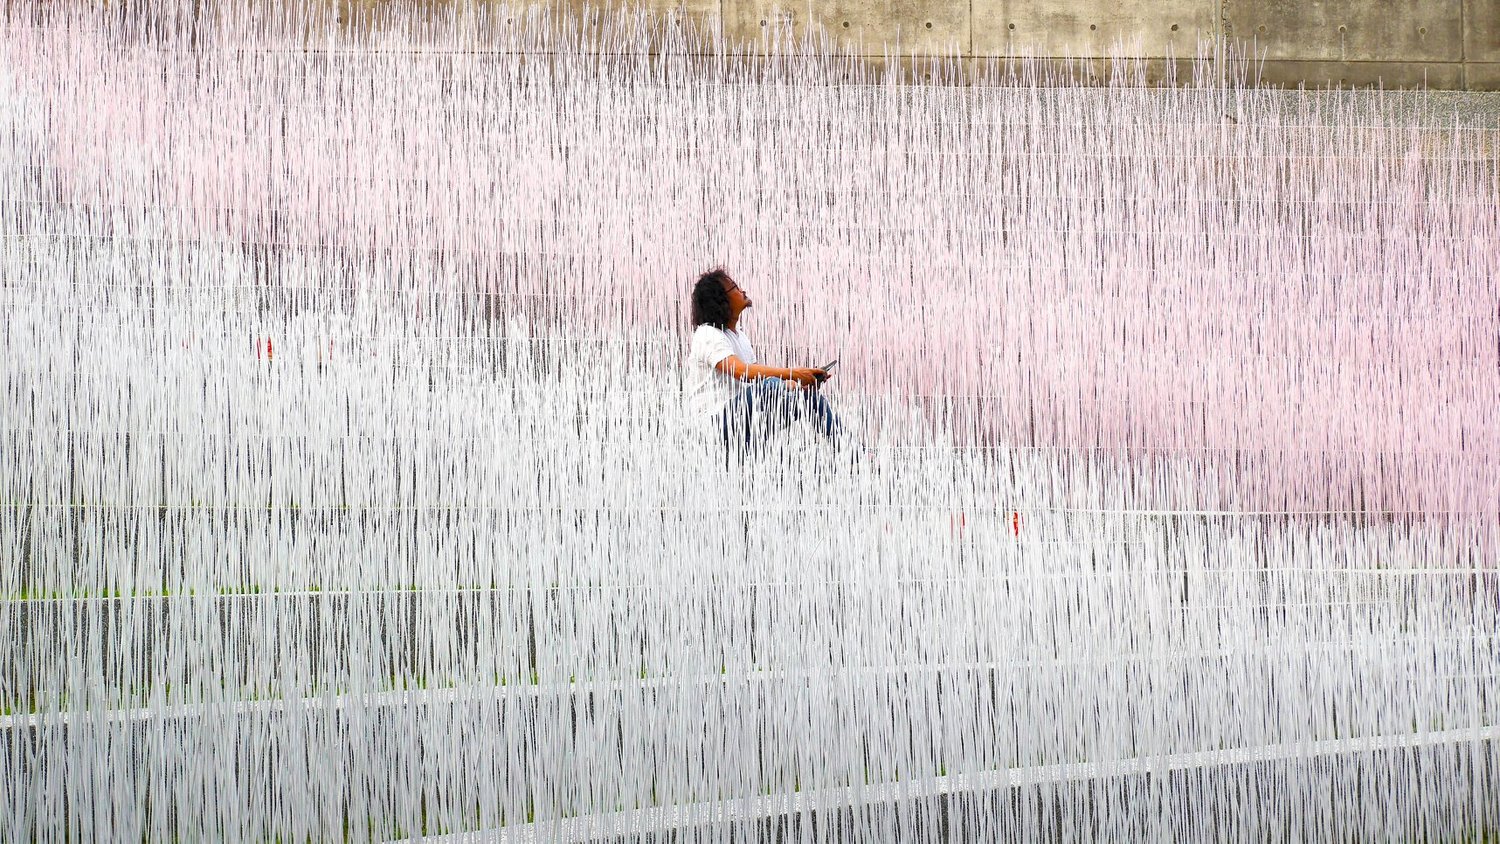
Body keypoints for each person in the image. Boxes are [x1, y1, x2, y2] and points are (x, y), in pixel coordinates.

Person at [684, 268, 846, 456]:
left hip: (741, 424)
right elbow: (741, 372)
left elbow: (756, 380)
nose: (742, 291)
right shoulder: (707, 333)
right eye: (735, 288)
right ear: (721, 300)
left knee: (809, 399)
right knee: (771, 385)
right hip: (714, 426)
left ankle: (852, 455)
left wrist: (802, 382)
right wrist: (793, 374)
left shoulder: (740, 336)